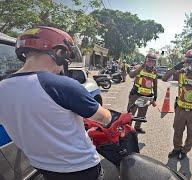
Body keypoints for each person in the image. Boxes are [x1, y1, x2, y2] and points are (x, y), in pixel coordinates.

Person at [0, 26, 112, 180]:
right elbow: (104, 118)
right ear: (59, 52)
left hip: (42, 167)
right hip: (81, 169)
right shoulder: (61, 85)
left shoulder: (2, 87)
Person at [162, 49, 192, 160]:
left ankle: (185, 151)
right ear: (186, 62)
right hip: (181, 110)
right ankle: (176, 149)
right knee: (177, 131)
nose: (191, 64)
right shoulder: (180, 74)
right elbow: (164, 78)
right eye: (189, 61)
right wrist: (175, 68)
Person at [127, 52, 158, 134]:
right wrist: (141, 67)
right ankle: (128, 128)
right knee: (131, 113)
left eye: (153, 61)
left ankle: (137, 127)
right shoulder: (139, 67)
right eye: (149, 61)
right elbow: (131, 75)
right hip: (135, 95)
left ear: (155, 63)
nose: (150, 63)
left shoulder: (154, 71)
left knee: (142, 114)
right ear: (145, 61)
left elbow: (155, 85)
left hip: (146, 97)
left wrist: (155, 96)